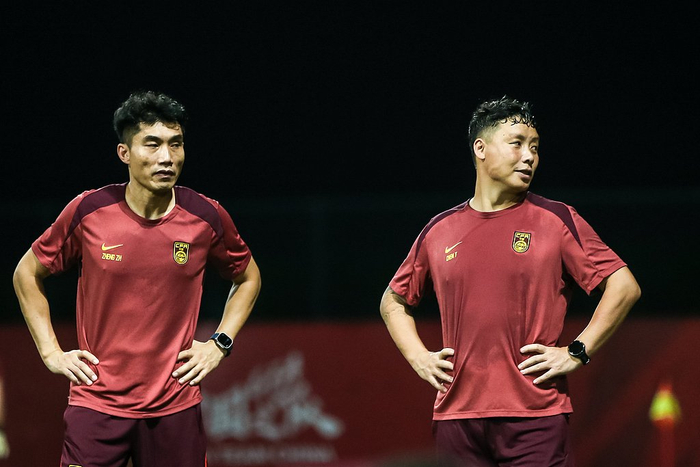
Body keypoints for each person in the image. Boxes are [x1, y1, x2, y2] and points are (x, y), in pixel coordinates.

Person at [380, 96, 641, 466]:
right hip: (456, 418)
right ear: (481, 148)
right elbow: (392, 302)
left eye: (535, 147)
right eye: (517, 143)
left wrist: (577, 352)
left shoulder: (556, 219)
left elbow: (623, 286)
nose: (529, 156)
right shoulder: (439, 230)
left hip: (535, 417)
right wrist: (419, 358)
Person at [13, 91, 261, 467]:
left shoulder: (206, 216)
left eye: (175, 144)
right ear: (124, 153)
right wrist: (51, 352)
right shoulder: (88, 211)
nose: (167, 157)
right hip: (96, 405)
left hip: (175, 407)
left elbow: (248, 278)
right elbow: (27, 273)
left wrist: (220, 343)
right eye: (152, 144)